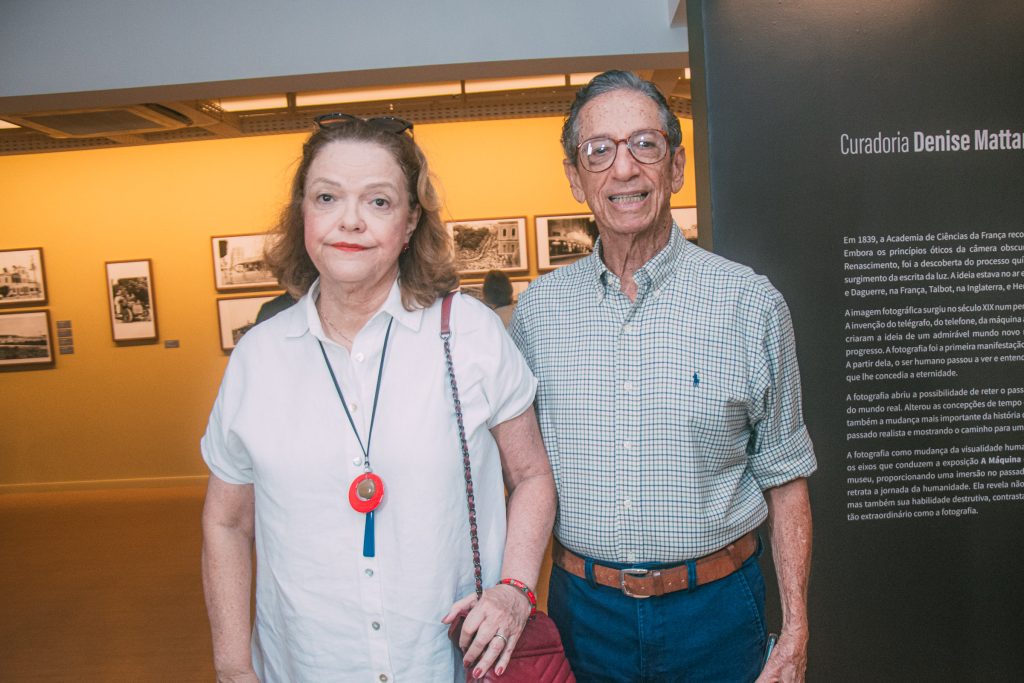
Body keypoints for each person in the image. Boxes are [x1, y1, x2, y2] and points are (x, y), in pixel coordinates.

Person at [201, 113, 556, 682]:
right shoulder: (258, 359)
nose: (350, 221)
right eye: (326, 197)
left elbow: (532, 474)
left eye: (379, 202)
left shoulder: (469, 334)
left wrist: (515, 588)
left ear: (412, 221)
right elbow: (226, 523)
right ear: (302, 214)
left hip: (447, 663)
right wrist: (232, 667)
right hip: (309, 666)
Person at [510, 71, 817, 683]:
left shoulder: (750, 304)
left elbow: (786, 480)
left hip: (719, 610)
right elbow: (519, 477)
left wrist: (798, 629)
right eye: (599, 151)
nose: (623, 169)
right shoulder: (536, 316)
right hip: (584, 615)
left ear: (675, 167)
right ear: (576, 179)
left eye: (644, 144)